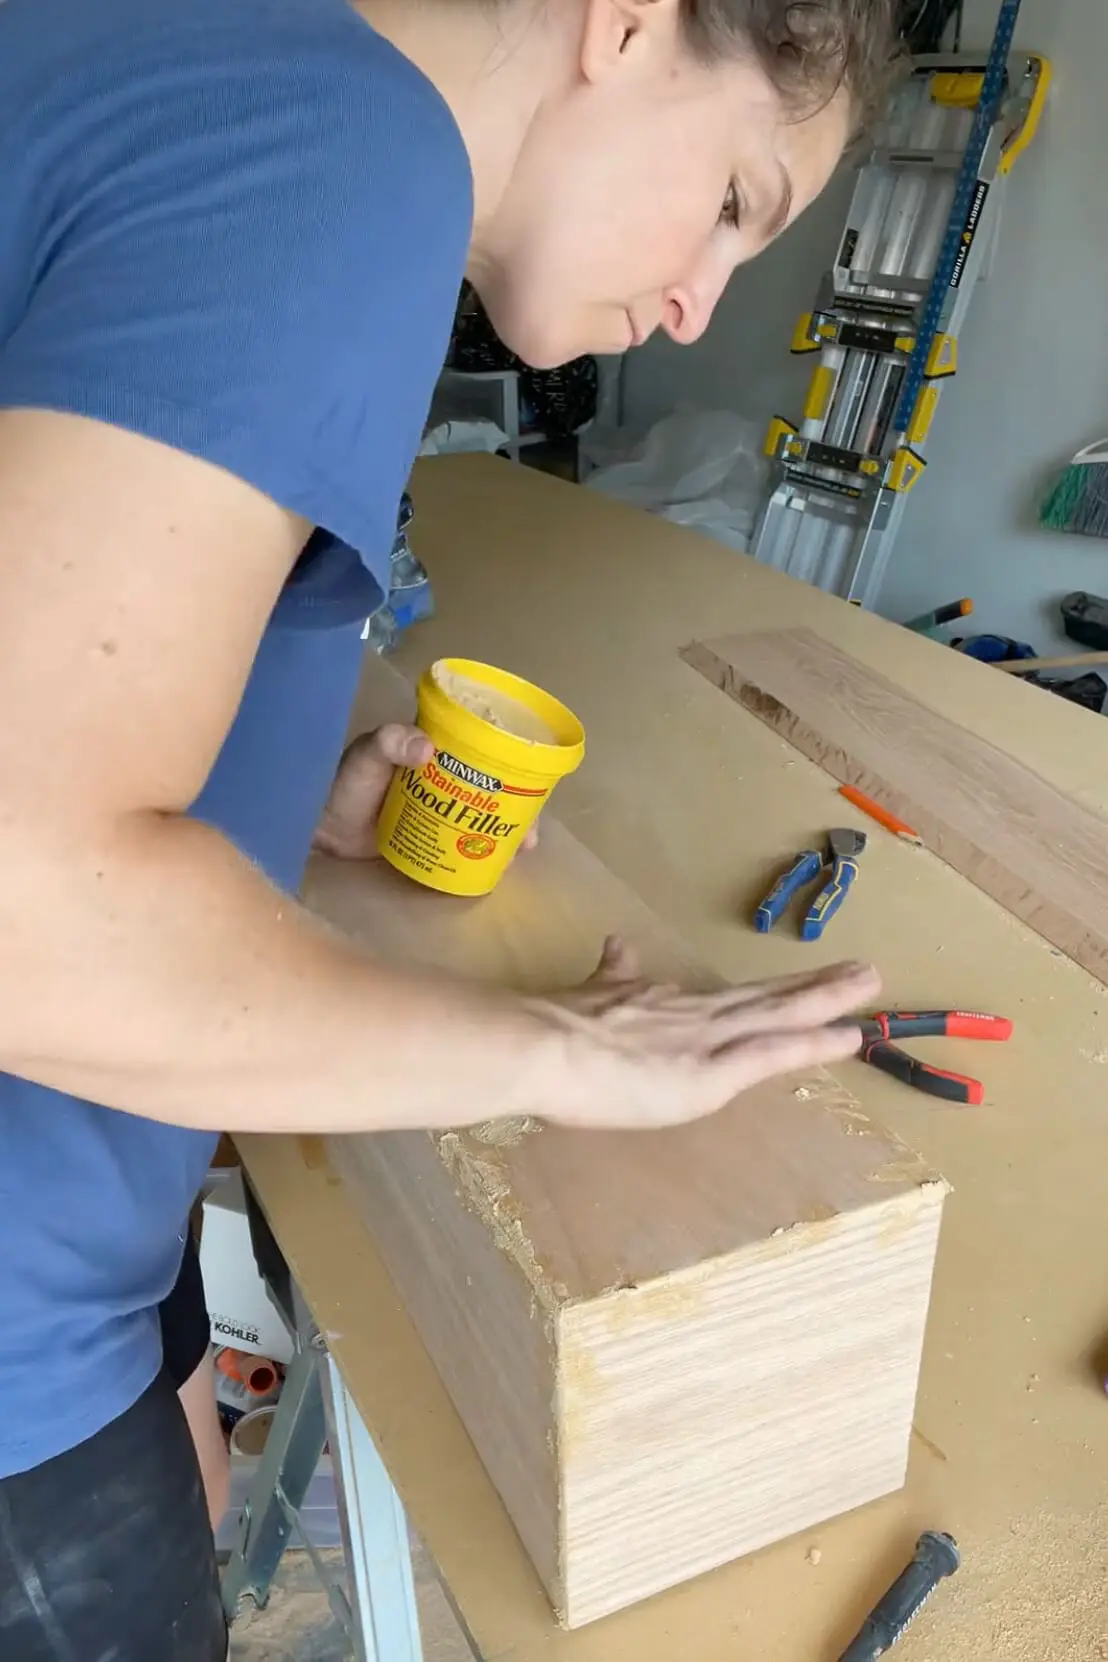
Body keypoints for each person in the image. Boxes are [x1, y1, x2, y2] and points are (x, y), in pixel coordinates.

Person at [0, 0, 896, 1656]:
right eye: (735, 200)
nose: (702, 310)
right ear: (624, 25)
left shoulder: (182, 51)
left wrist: (278, 807)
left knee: (191, 1474)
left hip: (75, 1209)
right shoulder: (348, 151)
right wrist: (560, 1050)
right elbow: (28, 905)